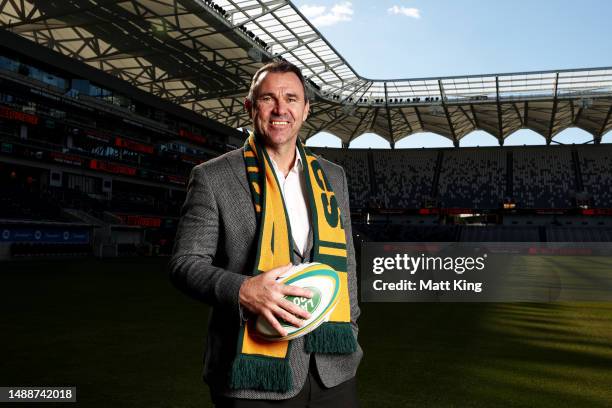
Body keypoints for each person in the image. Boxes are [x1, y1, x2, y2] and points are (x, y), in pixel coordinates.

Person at [169, 61, 362, 407]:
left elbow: (346, 257)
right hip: (252, 375)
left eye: (291, 98)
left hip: (332, 371)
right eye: (268, 98)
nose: (280, 109)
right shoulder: (213, 177)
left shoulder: (333, 176)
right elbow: (185, 263)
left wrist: (351, 329)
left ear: (305, 110)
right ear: (250, 107)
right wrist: (242, 290)